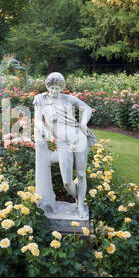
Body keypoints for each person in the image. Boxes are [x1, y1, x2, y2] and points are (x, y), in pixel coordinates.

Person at [34, 72, 96, 218]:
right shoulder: (41, 100)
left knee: (81, 174)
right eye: (52, 88)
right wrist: (43, 130)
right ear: (47, 87)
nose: (54, 91)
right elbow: (37, 119)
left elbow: (86, 109)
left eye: (57, 88)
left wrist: (82, 123)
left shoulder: (68, 99)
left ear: (62, 87)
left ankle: (80, 204)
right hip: (62, 142)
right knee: (67, 181)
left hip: (78, 138)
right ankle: (78, 198)